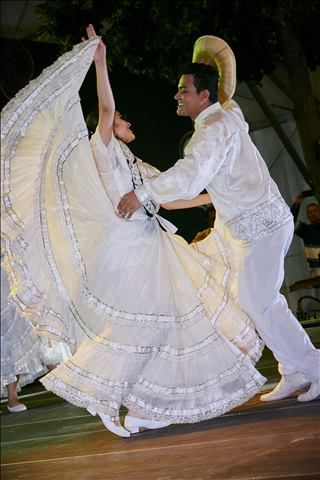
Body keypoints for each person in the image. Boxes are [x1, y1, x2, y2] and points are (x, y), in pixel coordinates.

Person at [1, 26, 266, 437]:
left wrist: (208, 199)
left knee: (169, 324)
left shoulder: (132, 162)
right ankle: (105, 397)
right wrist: (100, 62)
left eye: (122, 119)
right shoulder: (102, 148)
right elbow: (106, 110)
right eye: (122, 119)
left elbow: (166, 197)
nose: (126, 120)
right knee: (141, 326)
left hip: (151, 243)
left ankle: (146, 406)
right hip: (128, 250)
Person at [118, 35, 320, 403]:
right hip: (253, 227)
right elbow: (198, 175)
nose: (177, 96)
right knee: (256, 300)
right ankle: (295, 369)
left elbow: (191, 174)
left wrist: (143, 193)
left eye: (184, 90)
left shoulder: (212, 131)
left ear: (204, 96)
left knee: (260, 301)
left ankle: (313, 367)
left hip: (263, 226)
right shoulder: (228, 114)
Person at [290, 192, 320, 277]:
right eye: (309, 212)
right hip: (317, 271)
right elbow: (290, 223)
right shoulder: (306, 230)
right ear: (307, 215)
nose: (312, 214)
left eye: (315, 211)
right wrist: (297, 205)